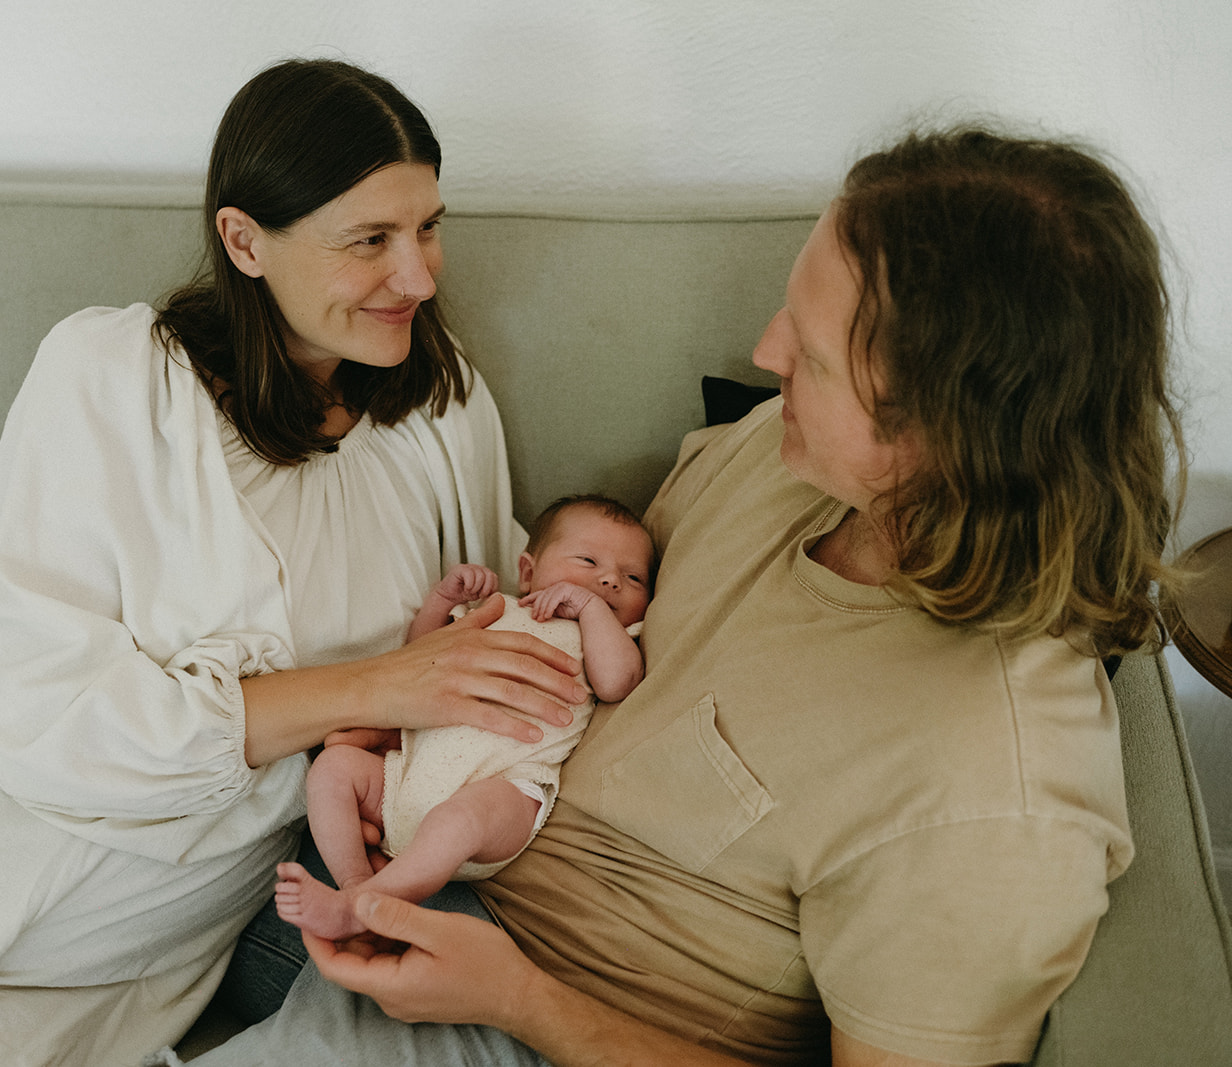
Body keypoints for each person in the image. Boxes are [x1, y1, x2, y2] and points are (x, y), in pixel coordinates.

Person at [0, 59, 589, 1067]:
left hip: (152, 904)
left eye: (429, 225)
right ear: (243, 239)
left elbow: (484, 638)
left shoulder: (441, 414)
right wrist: (370, 683)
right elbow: (48, 716)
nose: (421, 276)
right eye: (371, 240)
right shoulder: (116, 373)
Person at [188, 125, 1185, 1067]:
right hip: (399, 853)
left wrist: (519, 999)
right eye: (791, 308)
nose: (763, 352)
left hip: (534, 1014)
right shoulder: (789, 459)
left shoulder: (988, 794)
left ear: (950, 437)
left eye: (815, 351)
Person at [277, 495, 654, 941]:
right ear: (529, 572)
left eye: (633, 578)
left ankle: (367, 909)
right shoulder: (495, 609)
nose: (610, 580)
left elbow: (618, 682)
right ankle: (355, 883)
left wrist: (589, 608)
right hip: (405, 778)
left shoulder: (606, 634)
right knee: (333, 768)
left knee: (460, 819)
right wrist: (443, 600)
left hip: (505, 789)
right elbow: (420, 658)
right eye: (588, 561)